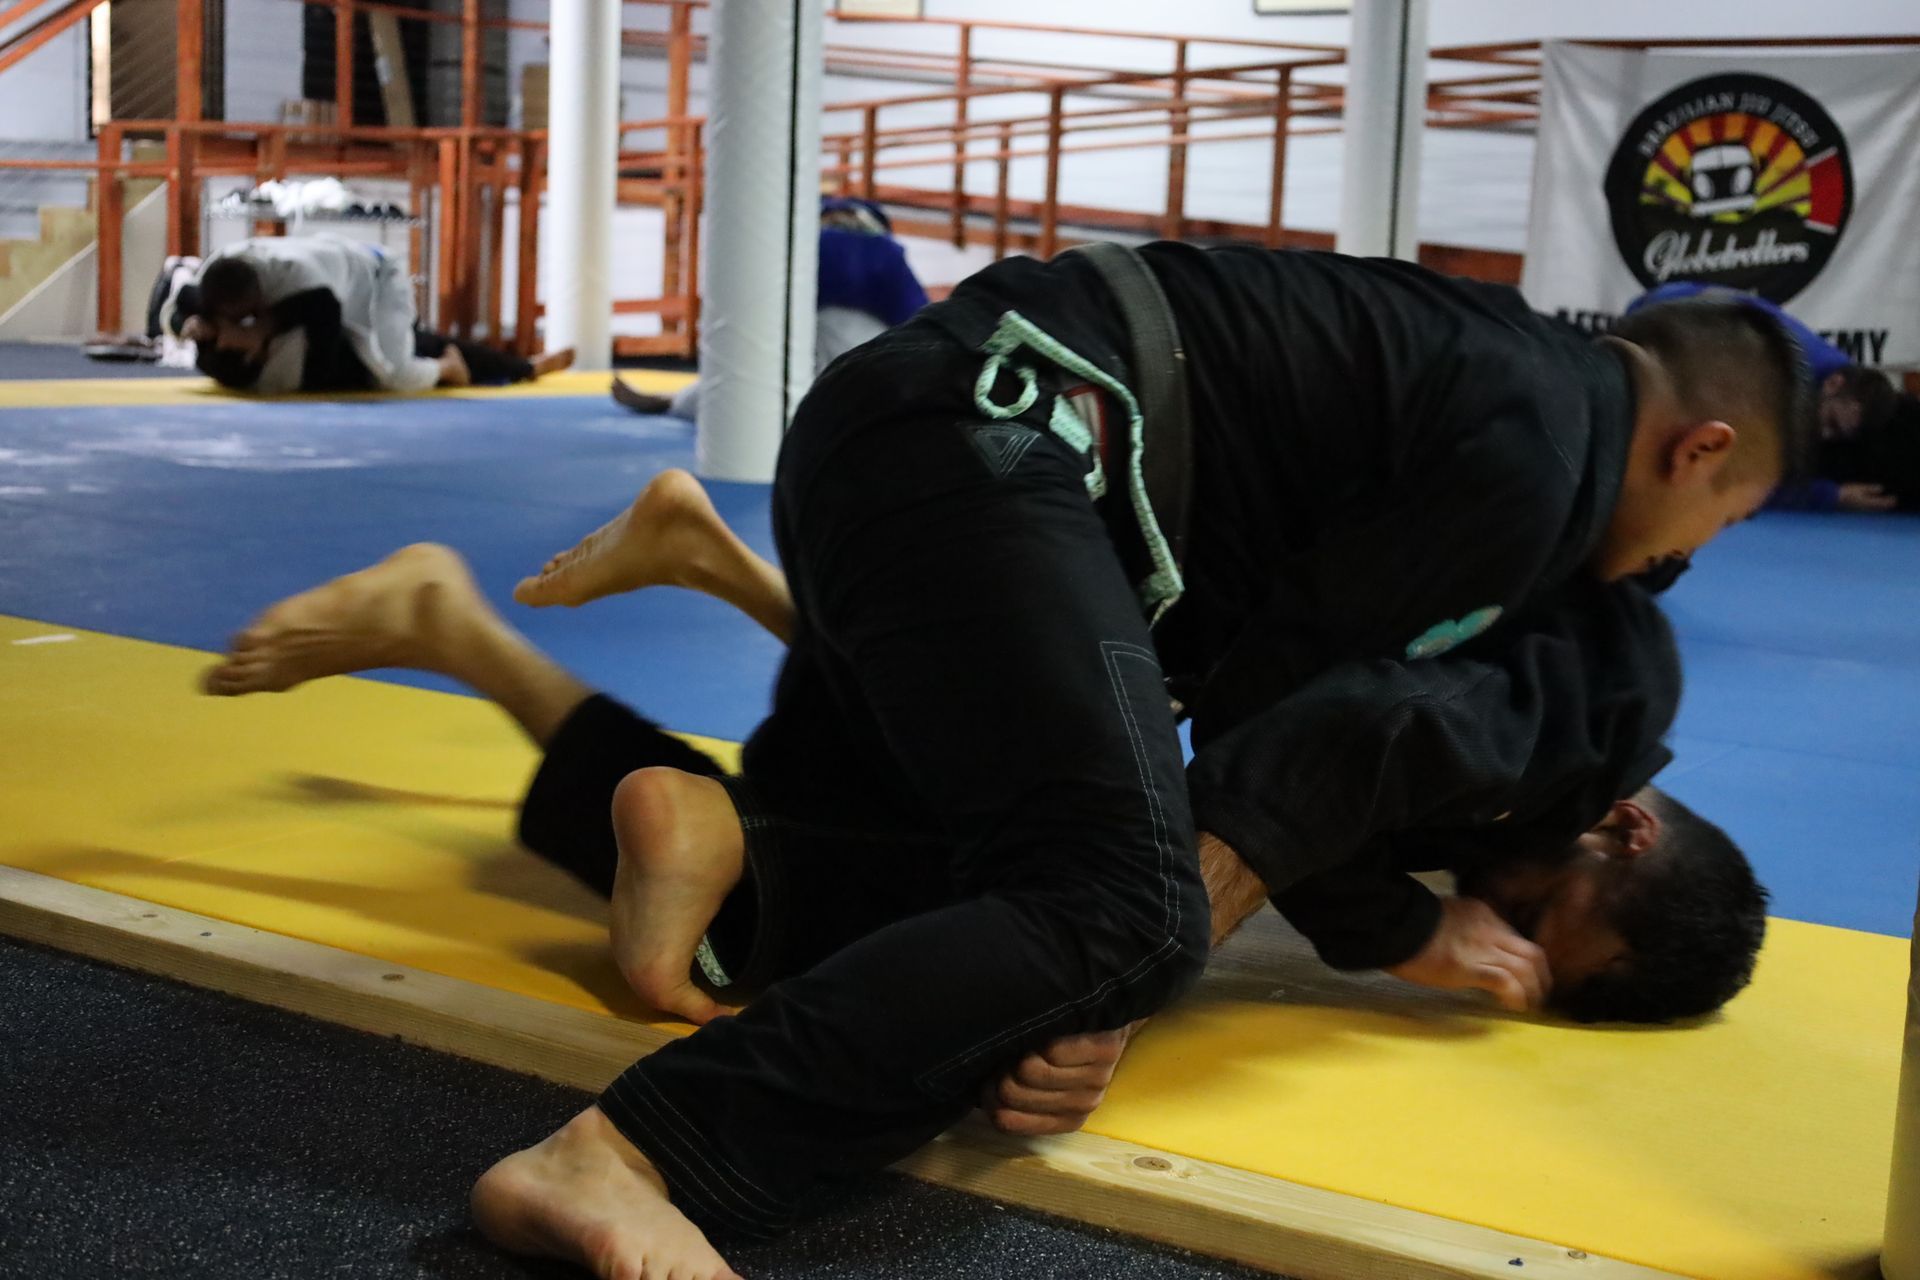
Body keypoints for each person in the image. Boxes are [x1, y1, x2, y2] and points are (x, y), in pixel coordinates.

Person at [214, 239, 1809, 1279]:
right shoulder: (1573, 574)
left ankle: (725, 852)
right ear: (1703, 448)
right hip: (1006, 456)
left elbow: (1263, 701)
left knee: (938, 915)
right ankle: (635, 1153)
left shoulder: (1514, 390)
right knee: (1123, 911)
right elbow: (1297, 727)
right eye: (1715, 526)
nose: (1676, 563)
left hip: (917, 446)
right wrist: (1354, 936)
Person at [610, 196, 929, 418]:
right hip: (864, 359)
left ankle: (675, 402)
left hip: (802, 349)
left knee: (747, 386)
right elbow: (917, 318)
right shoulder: (885, 251)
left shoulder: (806, 246)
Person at [168, 234, 574, 395]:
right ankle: (524, 367)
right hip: (338, 270)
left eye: (248, 318)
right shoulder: (216, 276)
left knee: (394, 371)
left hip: (377, 279)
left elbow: (321, 350)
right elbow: (175, 311)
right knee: (420, 341)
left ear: (259, 301)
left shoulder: (300, 283)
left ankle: (448, 370)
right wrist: (194, 326)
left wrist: (264, 334)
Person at [1629, 282, 1906, 512]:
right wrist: (1833, 496)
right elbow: (1746, 478)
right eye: (1830, 422)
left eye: (1836, 434)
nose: (1823, 434)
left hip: (1690, 309)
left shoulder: (1841, 378)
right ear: (1834, 383)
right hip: (1658, 318)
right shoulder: (1780, 377)